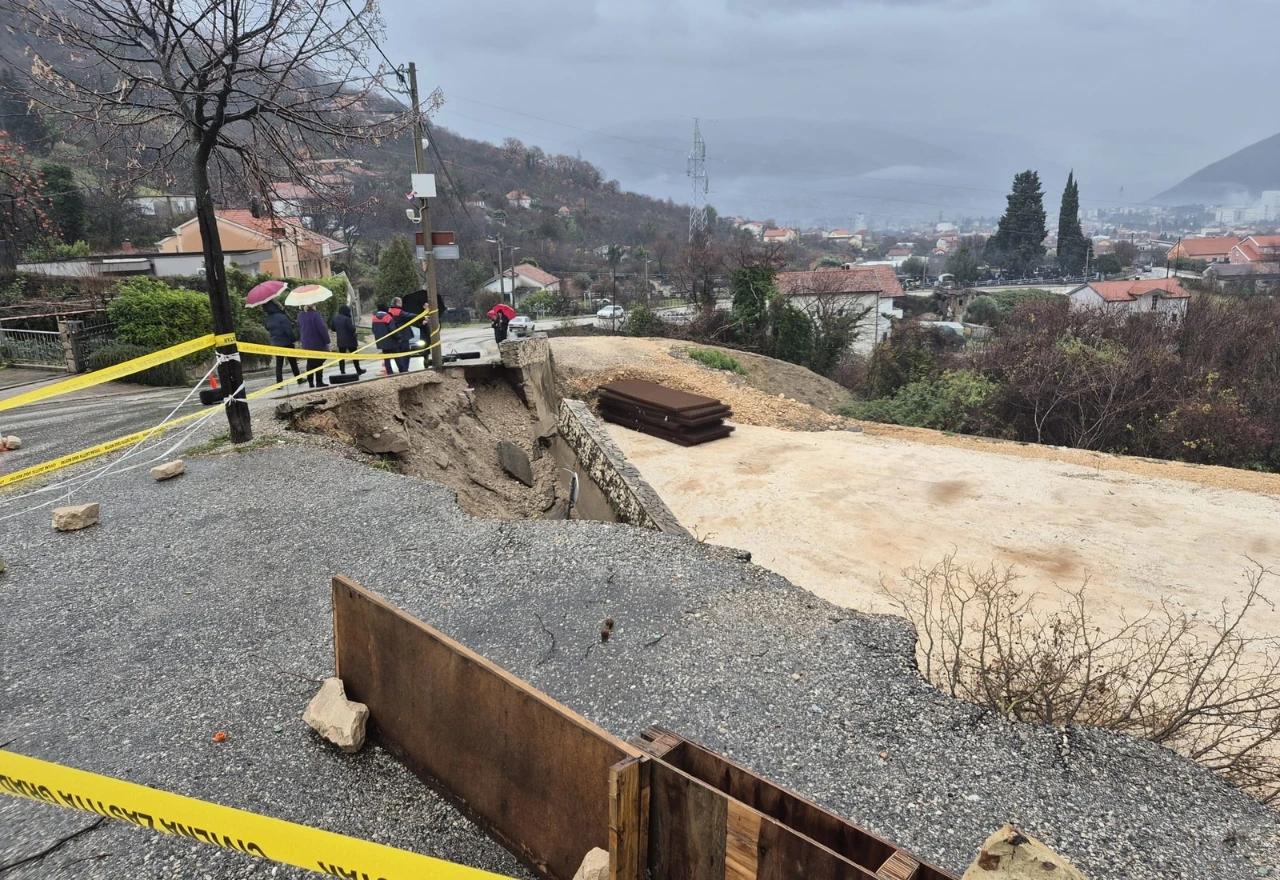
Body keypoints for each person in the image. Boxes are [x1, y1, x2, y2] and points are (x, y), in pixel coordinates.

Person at [262, 300, 302, 384]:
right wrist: (293, 339)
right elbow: (289, 331)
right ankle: (299, 379)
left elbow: (267, 328)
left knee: (279, 364)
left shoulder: (267, 319)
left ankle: (279, 383)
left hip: (276, 343)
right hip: (287, 342)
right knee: (293, 362)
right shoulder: (282, 317)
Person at [297, 304, 331, 388]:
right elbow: (322, 328)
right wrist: (327, 340)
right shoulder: (315, 315)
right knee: (319, 362)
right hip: (317, 343)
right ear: (313, 306)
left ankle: (310, 382)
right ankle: (319, 381)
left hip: (306, 343)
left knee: (310, 362)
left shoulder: (301, 316)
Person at [330, 304, 365, 376]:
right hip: (350, 340)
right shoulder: (347, 318)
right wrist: (354, 329)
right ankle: (358, 369)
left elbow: (333, 328)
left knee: (341, 357)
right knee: (354, 356)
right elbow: (352, 329)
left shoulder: (335, 318)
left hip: (340, 341)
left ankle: (342, 371)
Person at [371, 303, 403, 375]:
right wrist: (399, 337)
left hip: (381, 342)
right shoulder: (387, 317)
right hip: (391, 341)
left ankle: (389, 372)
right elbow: (392, 329)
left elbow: (373, 330)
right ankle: (402, 371)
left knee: (386, 358)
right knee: (397, 357)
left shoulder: (374, 318)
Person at [387, 296, 413, 374]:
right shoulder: (398, 312)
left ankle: (402, 369)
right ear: (397, 303)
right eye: (400, 302)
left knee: (398, 354)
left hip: (394, 336)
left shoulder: (389, 311)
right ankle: (404, 370)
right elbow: (409, 315)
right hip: (403, 336)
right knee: (405, 353)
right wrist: (421, 316)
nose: (402, 303)